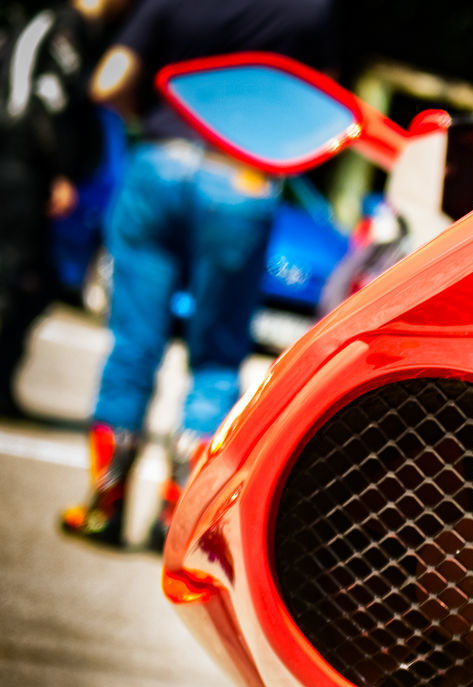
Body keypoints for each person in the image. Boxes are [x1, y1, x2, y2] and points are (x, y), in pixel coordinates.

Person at [59, 0, 337, 549]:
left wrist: (153, 123)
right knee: (217, 354)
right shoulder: (312, 10)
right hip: (242, 179)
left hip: (159, 163)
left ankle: (103, 506)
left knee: (134, 340)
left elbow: (108, 81)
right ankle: (177, 517)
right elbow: (318, 111)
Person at [0, 0, 126, 418]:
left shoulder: (86, 34)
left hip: (33, 172)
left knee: (38, 280)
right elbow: (28, 100)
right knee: (10, 276)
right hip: (19, 168)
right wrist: (52, 168)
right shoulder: (58, 22)